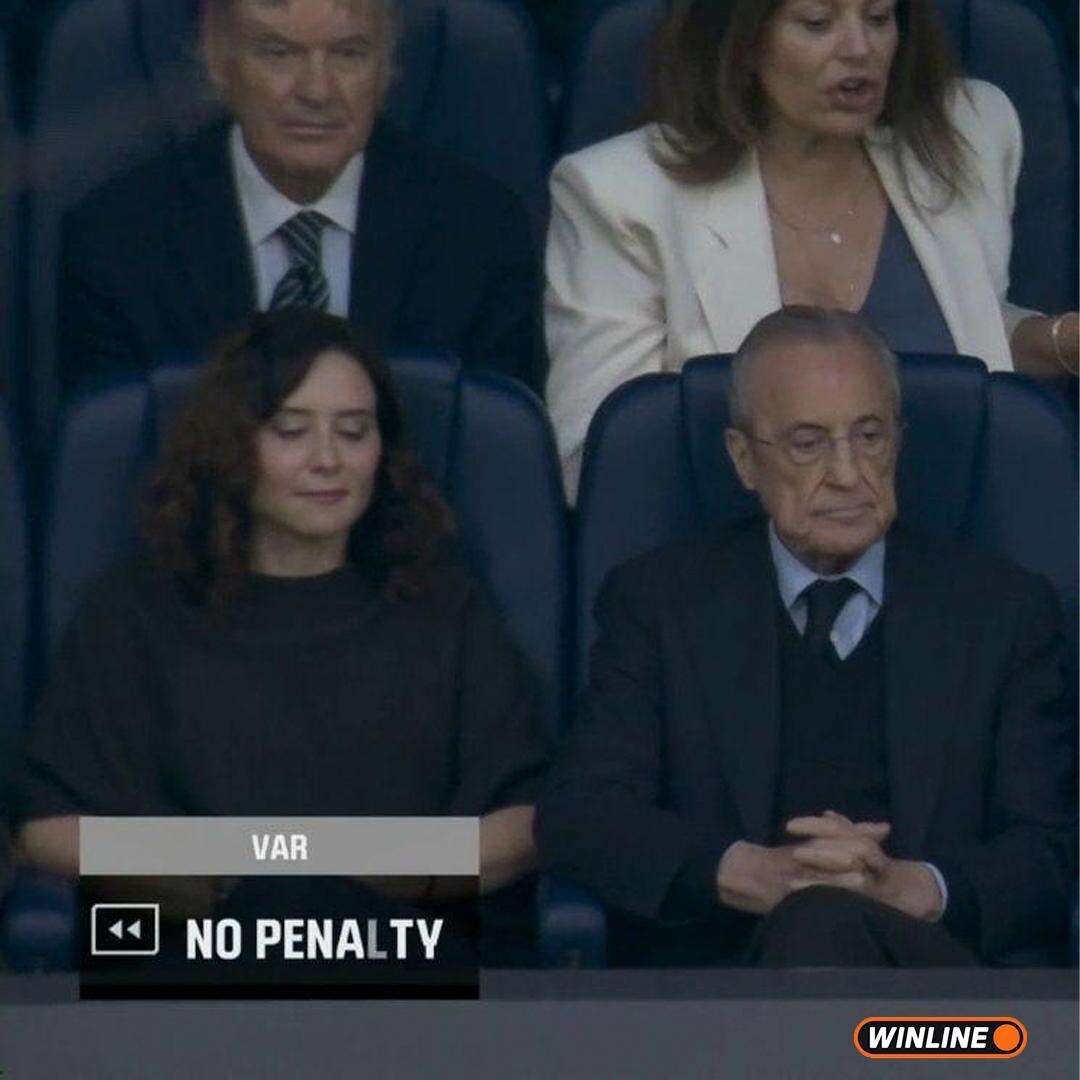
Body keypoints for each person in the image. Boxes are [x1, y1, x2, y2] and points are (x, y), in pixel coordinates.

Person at [536, 306, 1075, 967]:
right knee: (815, 921)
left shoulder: (1003, 611)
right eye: (807, 444)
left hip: (935, 1002)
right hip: (721, 994)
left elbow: (1050, 848)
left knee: (822, 924)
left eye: (870, 436)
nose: (847, 474)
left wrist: (914, 888)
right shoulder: (659, 604)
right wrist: (752, 873)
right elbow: (580, 815)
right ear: (744, 459)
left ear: (899, 441)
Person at [16, 310, 548, 916]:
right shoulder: (135, 607)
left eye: (354, 431)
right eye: (291, 431)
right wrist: (222, 872)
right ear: (229, 446)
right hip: (195, 947)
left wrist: (408, 869)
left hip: (400, 946)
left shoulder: (442, 605)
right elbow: (48, 828)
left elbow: (527, 816)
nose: (328, 459)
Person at [545, 0, 1080, 497]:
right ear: (742, 41)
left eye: (878, 17)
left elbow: (966, 326)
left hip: (961, 533)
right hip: (739, 543)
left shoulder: (967, 131)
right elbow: (597, 463)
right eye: (818, 23)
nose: (859, 49)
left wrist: (1059, 342)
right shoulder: (623, 195)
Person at [58, 0, 544, 395]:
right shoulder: (117, 241)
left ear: (386, 66)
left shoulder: (479, 233)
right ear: (218, 57)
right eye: (280, 53)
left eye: (349, 53)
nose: (317, 91)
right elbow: (111, 467)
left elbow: (491, 462)